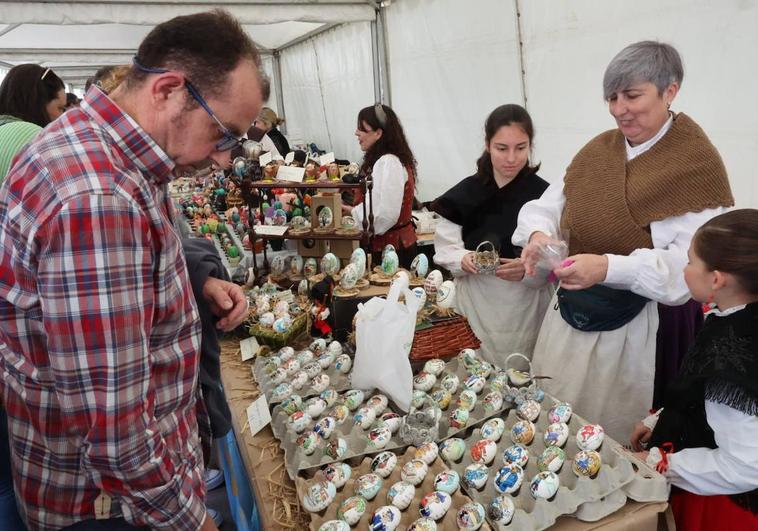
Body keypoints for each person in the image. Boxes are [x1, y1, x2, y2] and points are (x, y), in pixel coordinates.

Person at [0, 9, 263, 531]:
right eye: (223, 134)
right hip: (112, 508)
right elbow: (116, 437)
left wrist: (189, 287)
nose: (221, 159)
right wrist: (194, 523)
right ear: (168, 89)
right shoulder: (98, 198)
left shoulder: (98, 147)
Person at [514, 40, 734, 442]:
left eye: (632, 95)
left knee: (616, 435)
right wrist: (540, 234)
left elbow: (685, 269)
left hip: (646, 326)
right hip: (573, 313)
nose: (619, 109)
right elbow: (547, 206)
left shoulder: (695, 164)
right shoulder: (599, 152)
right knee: (560, 416)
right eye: (612, 97)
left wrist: (609, 267)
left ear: (670, 91)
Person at [630, 209, 758, 530]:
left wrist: (664, 463)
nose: (684, 269)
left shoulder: (731, 364)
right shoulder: (735, 314)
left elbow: (746, 464)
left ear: (716, 279)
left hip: (719, 502)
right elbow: (698, 392)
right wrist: (661, 419)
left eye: (689, 261)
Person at [430, 104, 552, 365]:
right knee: (478, 367)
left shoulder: (545, 196)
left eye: (521, 148)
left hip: (526, 306)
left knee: (523, 367)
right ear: (487, 144)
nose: (511, 158)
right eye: (501, 148)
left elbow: (556, 257)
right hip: (477, 303)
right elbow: (445, 248)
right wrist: (462, 258)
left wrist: (531, 268)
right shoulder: (463, 195)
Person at [346, 103, 418, 267]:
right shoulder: (387, 160)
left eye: (362, 129)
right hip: (393, 247)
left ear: (378, 133)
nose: (356, 133)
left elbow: (386, 215)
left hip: (392, 251)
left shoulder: (388, 162)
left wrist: (354, 213)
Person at [0, 64, 66, 181]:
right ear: (37, 103)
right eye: (60, 108)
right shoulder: (30, 135)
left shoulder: (4, 128)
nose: (63, 116)